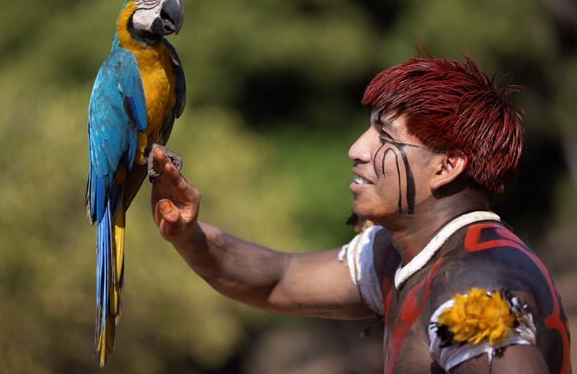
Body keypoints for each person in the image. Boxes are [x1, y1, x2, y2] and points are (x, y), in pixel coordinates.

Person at [149, 55, 571, 373]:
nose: (357, 149)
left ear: (446, 166)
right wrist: (189, 234)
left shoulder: (468, 290)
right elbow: (279, 279)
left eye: (384, 137)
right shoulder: (403, 256)